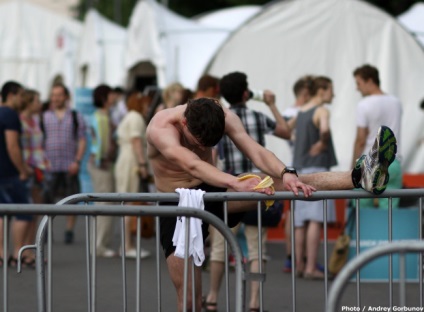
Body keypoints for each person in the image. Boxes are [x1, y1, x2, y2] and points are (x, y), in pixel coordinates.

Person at [146, 96, 397, 311]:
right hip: (177, 203)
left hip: (212, 191)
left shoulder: (222, 114)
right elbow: (192, 164)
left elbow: (254, 150)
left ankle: (360, 176)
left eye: (210, 145)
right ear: (184, 123)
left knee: (289, 182)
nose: (202, 148)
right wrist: (235, 183)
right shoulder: (161, 126)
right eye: (198, 143)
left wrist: (286, 172)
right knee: (190, 300)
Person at [205, 71, 291, 312]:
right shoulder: (257, 116)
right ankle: (253, 302)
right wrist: (271, 104)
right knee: (256, 249)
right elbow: (285, 132)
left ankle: (212, 298)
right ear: (246, 93)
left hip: (229, 188)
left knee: (220, 248)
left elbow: (212, 156)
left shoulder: (220, 120)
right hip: (258, 188)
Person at [292, 76, 338, 279]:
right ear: (321, 91)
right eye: (330, 90)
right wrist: (322, 141)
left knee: (300, 221)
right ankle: (311, 267)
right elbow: (325, 129)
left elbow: (287, 129)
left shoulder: (300, 112)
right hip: (317, 169)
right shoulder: (322, 111)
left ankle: (299, 265)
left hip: (299, 169)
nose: (333, 94)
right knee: (315, 220)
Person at [352, 64, 402, 208]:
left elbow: (360, 140)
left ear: (370, 81)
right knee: (390, 211)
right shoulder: (396, 102)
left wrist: (353, 165)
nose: (357, 88)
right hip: (393, 162)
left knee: (362, 212)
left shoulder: (364, 105)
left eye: (358, 83)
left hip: (369, 161)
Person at [42, 83, 86, 244]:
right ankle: (46, 230)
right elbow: (40, 139)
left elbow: (82, 139)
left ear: (66, 97)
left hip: (69, 165)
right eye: (53, 95)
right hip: (50, 166)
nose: (56, 98)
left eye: (59, 95)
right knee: (47, 200)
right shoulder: (44, 116)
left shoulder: (75, 116)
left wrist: (77, 160)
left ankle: (69, 230)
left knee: (71, 200)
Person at [281, 75, 313, 274]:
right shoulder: (295, 113)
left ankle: (294, 258)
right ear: (305, 93)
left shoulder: (290, 113)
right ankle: (295, 258)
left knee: (296, 215)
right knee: (299, 216)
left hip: (296, 165)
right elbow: (295, 138)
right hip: (300, 166)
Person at [114, 92, 151, 259]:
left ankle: (127, 245)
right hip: (131, 162)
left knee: (127, 203)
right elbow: (136, 141)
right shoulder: (136, 117)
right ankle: (127, 246)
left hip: (126, 160)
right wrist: (143, 164)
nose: (148, 107)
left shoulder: (130, 116)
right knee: (128, 203)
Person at [0, 81, 32, 268]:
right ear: (11, 95)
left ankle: (2, 253)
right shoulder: (10, 115)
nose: (23, 99)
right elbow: (12, 146)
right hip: (10, 172)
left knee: (2, 212)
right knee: (25, 213)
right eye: (21, 95)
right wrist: (23, 170)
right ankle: (17, 251)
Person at [19, 89, 50, 267]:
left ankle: (30, 249)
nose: (40, 104)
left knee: (36, 212)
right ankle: (24, 251)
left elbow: (39, 145)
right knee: (27, 212)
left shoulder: (36, 120)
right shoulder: (21, 121)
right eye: (37, 100)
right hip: (28, 169)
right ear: (29, 102)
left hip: (39, 168)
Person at [88, 84, 117, 257]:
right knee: (105, 204)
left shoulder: (99, 116)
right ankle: (99, 245)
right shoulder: (102, 117)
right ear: (105, 97)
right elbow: (102, 143)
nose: (114, 97)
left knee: (102, 203)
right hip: (102, 165)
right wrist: (103, 159)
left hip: (98, 163)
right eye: (112, 94)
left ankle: (99, 243)